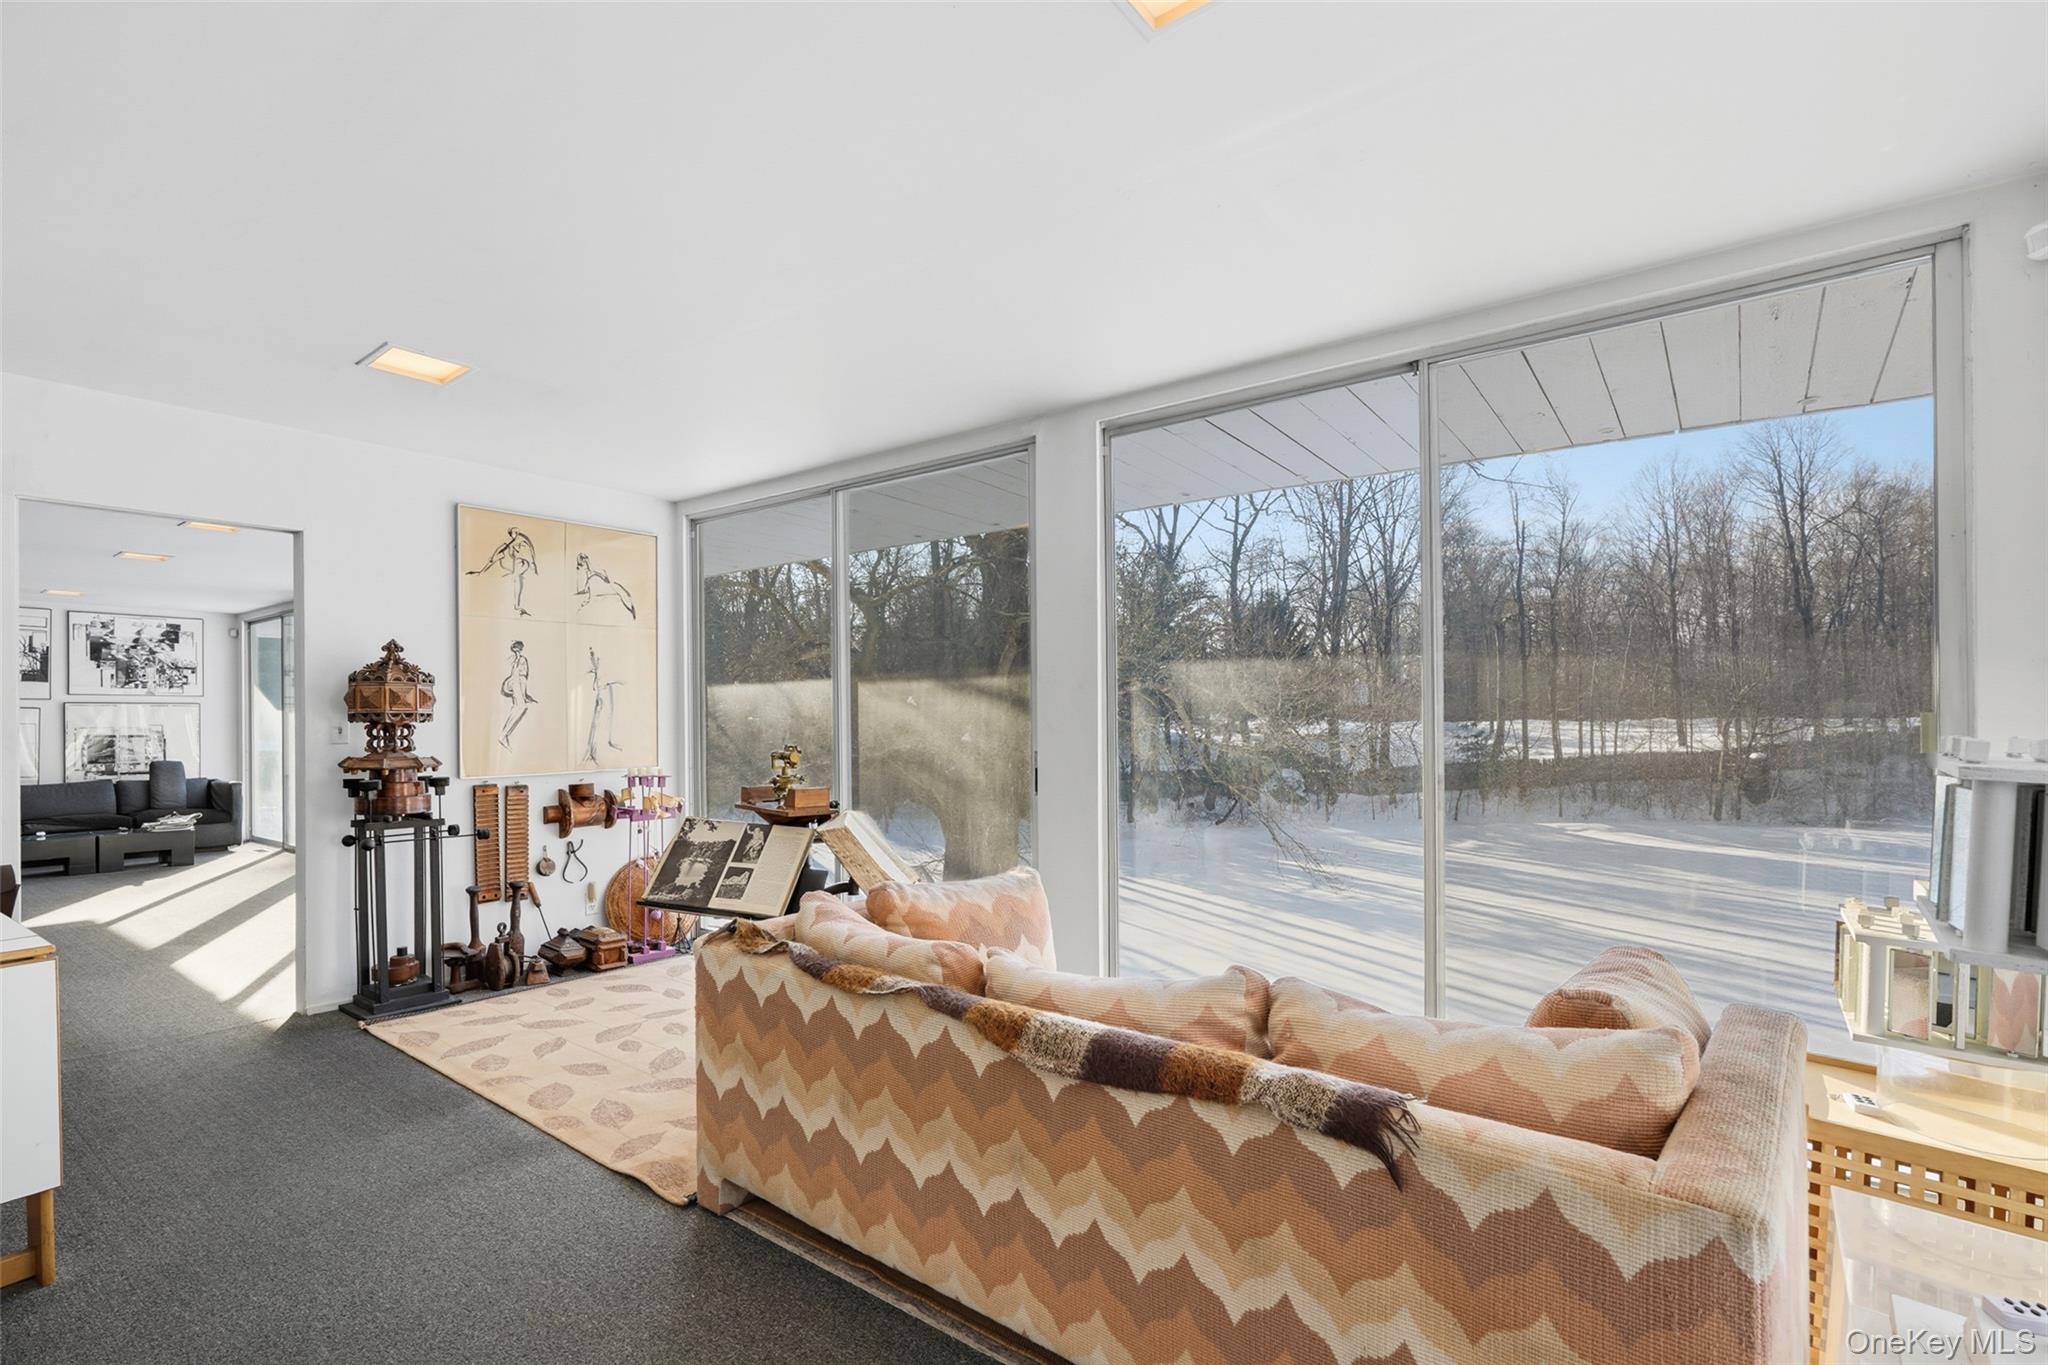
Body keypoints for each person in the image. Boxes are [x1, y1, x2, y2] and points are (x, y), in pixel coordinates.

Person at [469, 526, 539, 616]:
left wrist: (533, 564)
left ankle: (517, 606)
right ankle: (481, 572)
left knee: (516, 577)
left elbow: (529, 553)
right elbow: (500, 548)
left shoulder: (521, 540)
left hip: (523, 562)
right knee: (500, 557)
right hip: (513, 562)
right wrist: (493, 556)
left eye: (514, 533)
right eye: (511, 533)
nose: (512, 535)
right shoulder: (510, 542)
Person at [499, 640, 536, 748]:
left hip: (515, 685)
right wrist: (524, 694)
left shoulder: (517, 661)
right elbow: (522, 678)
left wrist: (523, 693)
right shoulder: (521, 660)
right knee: (521, 707)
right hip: (517, 685)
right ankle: (503, 735)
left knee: (517, 708)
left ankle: (504, 734)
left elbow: (516, 678)